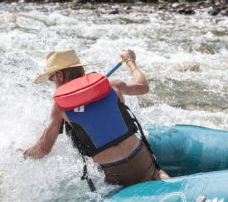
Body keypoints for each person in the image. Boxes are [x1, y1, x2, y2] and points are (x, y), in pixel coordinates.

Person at [24, 49, 168, 189]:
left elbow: (43, 149)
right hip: (140, 159)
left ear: (60, 75)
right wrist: (130, 61)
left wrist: (24, 154)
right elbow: (143, 86)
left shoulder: (60, 107)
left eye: (51, 78)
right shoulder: (111, 84)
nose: (52, 82)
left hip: (113, 172)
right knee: (157, 173)